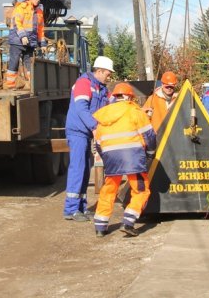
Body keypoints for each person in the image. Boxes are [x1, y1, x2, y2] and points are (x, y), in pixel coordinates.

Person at [92, 82, 156, 237]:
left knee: (109, 189)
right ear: (128, 96)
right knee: (141, 189)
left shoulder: (104, 115)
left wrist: (107, 158)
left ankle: (100, 226)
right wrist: (150, 153)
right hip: (132, 157)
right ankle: (128, 222)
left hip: (111, 158)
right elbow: (150, 136)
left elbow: (98, 143)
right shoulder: (135, 112)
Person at [63, 55, 114, 221]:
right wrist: (94, 127)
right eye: (108, 73)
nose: (109, 76)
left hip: (86, 132)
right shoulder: (83, 83)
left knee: (85, 169)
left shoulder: (102, 88)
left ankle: (82, 207)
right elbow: (81, 109)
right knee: (78, 168)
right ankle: (71, 210)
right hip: (78, 132)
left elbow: (112, 104)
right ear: (98, 71)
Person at [5, 0, 47, 89]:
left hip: (30, 42)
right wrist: (23, 36)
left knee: (29, 64)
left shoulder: (39, 12)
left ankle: (32, 85)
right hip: (17, 40)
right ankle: (10, 85)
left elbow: (41, 29)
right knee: (14, 61)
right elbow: (16, 22)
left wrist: (43, 44)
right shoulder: (21, 7)